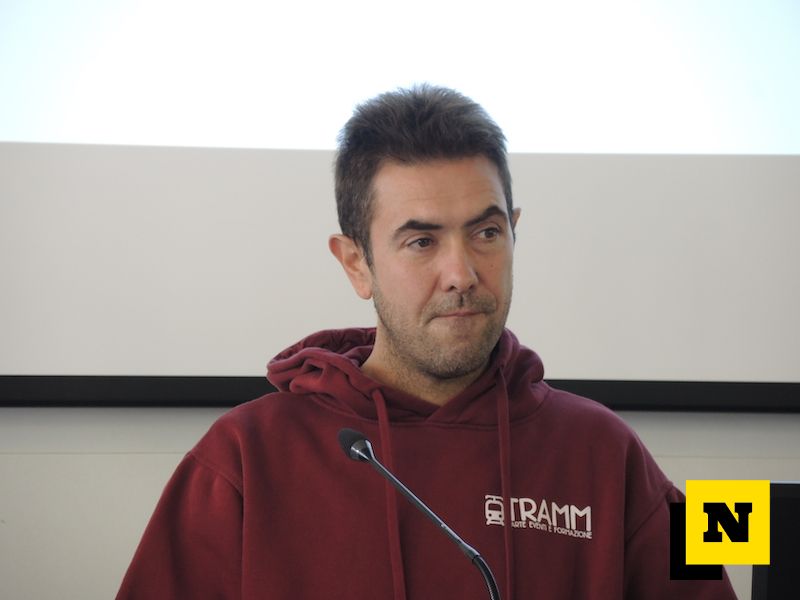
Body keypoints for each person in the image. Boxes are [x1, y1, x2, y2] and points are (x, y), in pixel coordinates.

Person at [116, 85, 738, 599]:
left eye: (486, 233)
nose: (462, 273)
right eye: (421, 242)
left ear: (514, 233)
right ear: (356, 263)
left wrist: (746, 519)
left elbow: (731, 566)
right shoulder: (242, 458)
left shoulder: (608, 450)